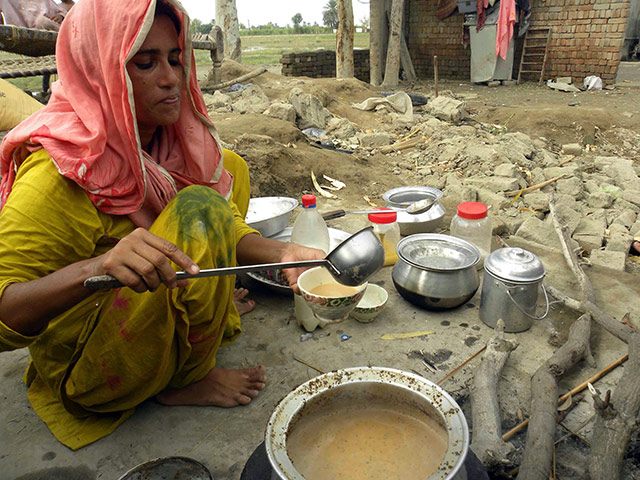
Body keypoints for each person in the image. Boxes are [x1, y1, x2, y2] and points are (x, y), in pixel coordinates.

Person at [0, 0, 324, 450]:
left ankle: (205, 309)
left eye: (174, 59)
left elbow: (222, 222)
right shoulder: (58, 175)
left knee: (228, 168)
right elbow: (5, 310)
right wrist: (98, 268)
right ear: (99, 71)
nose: (171, 78)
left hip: (143, 311)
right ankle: (182, 379)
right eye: (145, 63)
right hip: (91, 363)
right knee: (198, 207)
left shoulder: (173, 148)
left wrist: (284, 254)